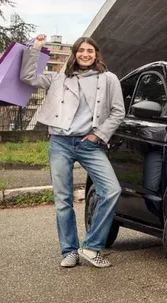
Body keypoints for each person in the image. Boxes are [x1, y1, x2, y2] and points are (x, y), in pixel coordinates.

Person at [21, 34, 125, 269]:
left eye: (90, 51)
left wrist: (98, 134)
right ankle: (69, 250)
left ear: (96, 54)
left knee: (111, 190)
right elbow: (27, 76)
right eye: (81, 50)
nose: (85, 54)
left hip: (90, 144)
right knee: (63, 199)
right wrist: (36, 48)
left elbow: (118, 111)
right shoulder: (59, 78)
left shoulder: (108, 79)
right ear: (74, 54)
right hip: (60, 142)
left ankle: (91, 246)